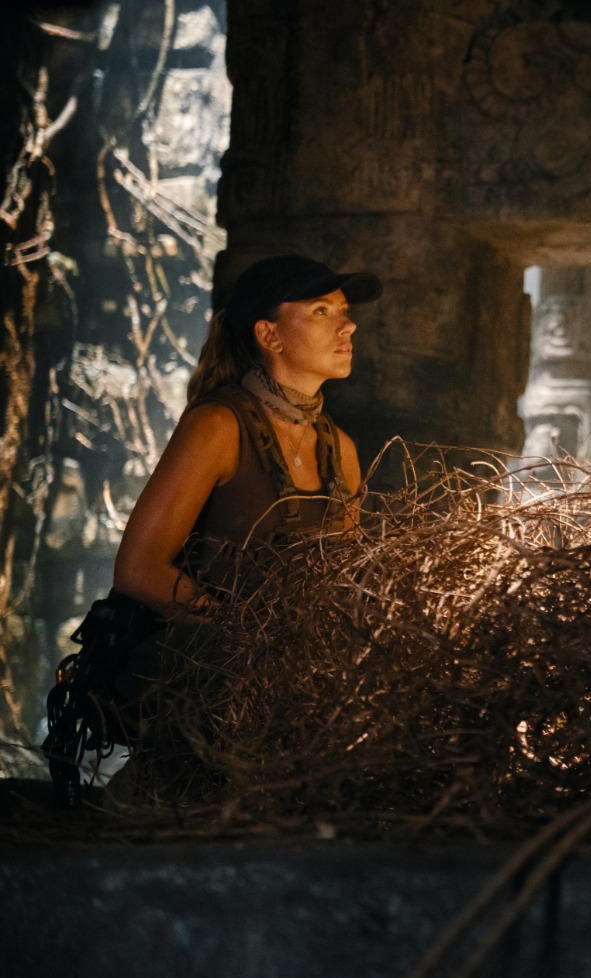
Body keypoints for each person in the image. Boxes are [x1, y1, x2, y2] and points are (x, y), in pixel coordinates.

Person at [44, 254, 381, 806]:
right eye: (323, 311)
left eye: (344, 311)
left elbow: (339, 586)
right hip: (197, 670)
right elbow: (138, 570)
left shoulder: (340, 450)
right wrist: (247, 637)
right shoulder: (218, 426)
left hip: (288, 679)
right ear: (269, 335)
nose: (348, 326)